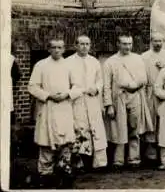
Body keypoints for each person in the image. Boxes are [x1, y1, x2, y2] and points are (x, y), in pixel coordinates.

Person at [28, 38, 83, 188]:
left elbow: (78, 86)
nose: (57, 50)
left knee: (66, 143)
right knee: (46, 142)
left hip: (65, 108)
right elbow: (32, 87)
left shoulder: (69, 66)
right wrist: (48, 95)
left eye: (60, 47)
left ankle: (64, 172)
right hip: (48, 108)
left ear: (64, 49)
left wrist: (67, 94)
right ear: (49, 49)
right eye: (54, 47)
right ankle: (45, 175)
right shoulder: (41, 65)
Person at [102, 33, 153, 170]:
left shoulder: (138, 59)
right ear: (118, 44)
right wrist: (108, 105)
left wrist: (136, 86)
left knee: (134, 128)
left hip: (135, 95)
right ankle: (118, 160)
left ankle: (134, 159)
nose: (128, 47)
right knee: (119, 128)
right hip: (119, 97)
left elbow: (145, 79)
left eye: (130, 44)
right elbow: (106, 85)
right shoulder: (110, 62)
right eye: (124, 44)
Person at [66, 35, 108, 173]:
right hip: (77, 100)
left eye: (87, 44)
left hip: (92, 99)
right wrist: (74, 92)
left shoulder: (94, 62)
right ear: (76, 45)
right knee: (79, 129)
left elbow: (100, 80)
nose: (84, 47)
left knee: (96, 129)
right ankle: (79, 163)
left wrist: (96, 88)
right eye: (81, 44)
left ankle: (99, 163)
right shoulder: (68, 62)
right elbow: (66, 83)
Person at [141, 33, 165, 166]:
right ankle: (151, 154)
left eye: (160, 41)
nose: (158, 43)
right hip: (150, 91)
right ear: (151, 41)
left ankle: (164, 153)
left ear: (164, 41)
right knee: (151, 121)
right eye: (155, 41)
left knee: (164, 121)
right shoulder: (145, 56)